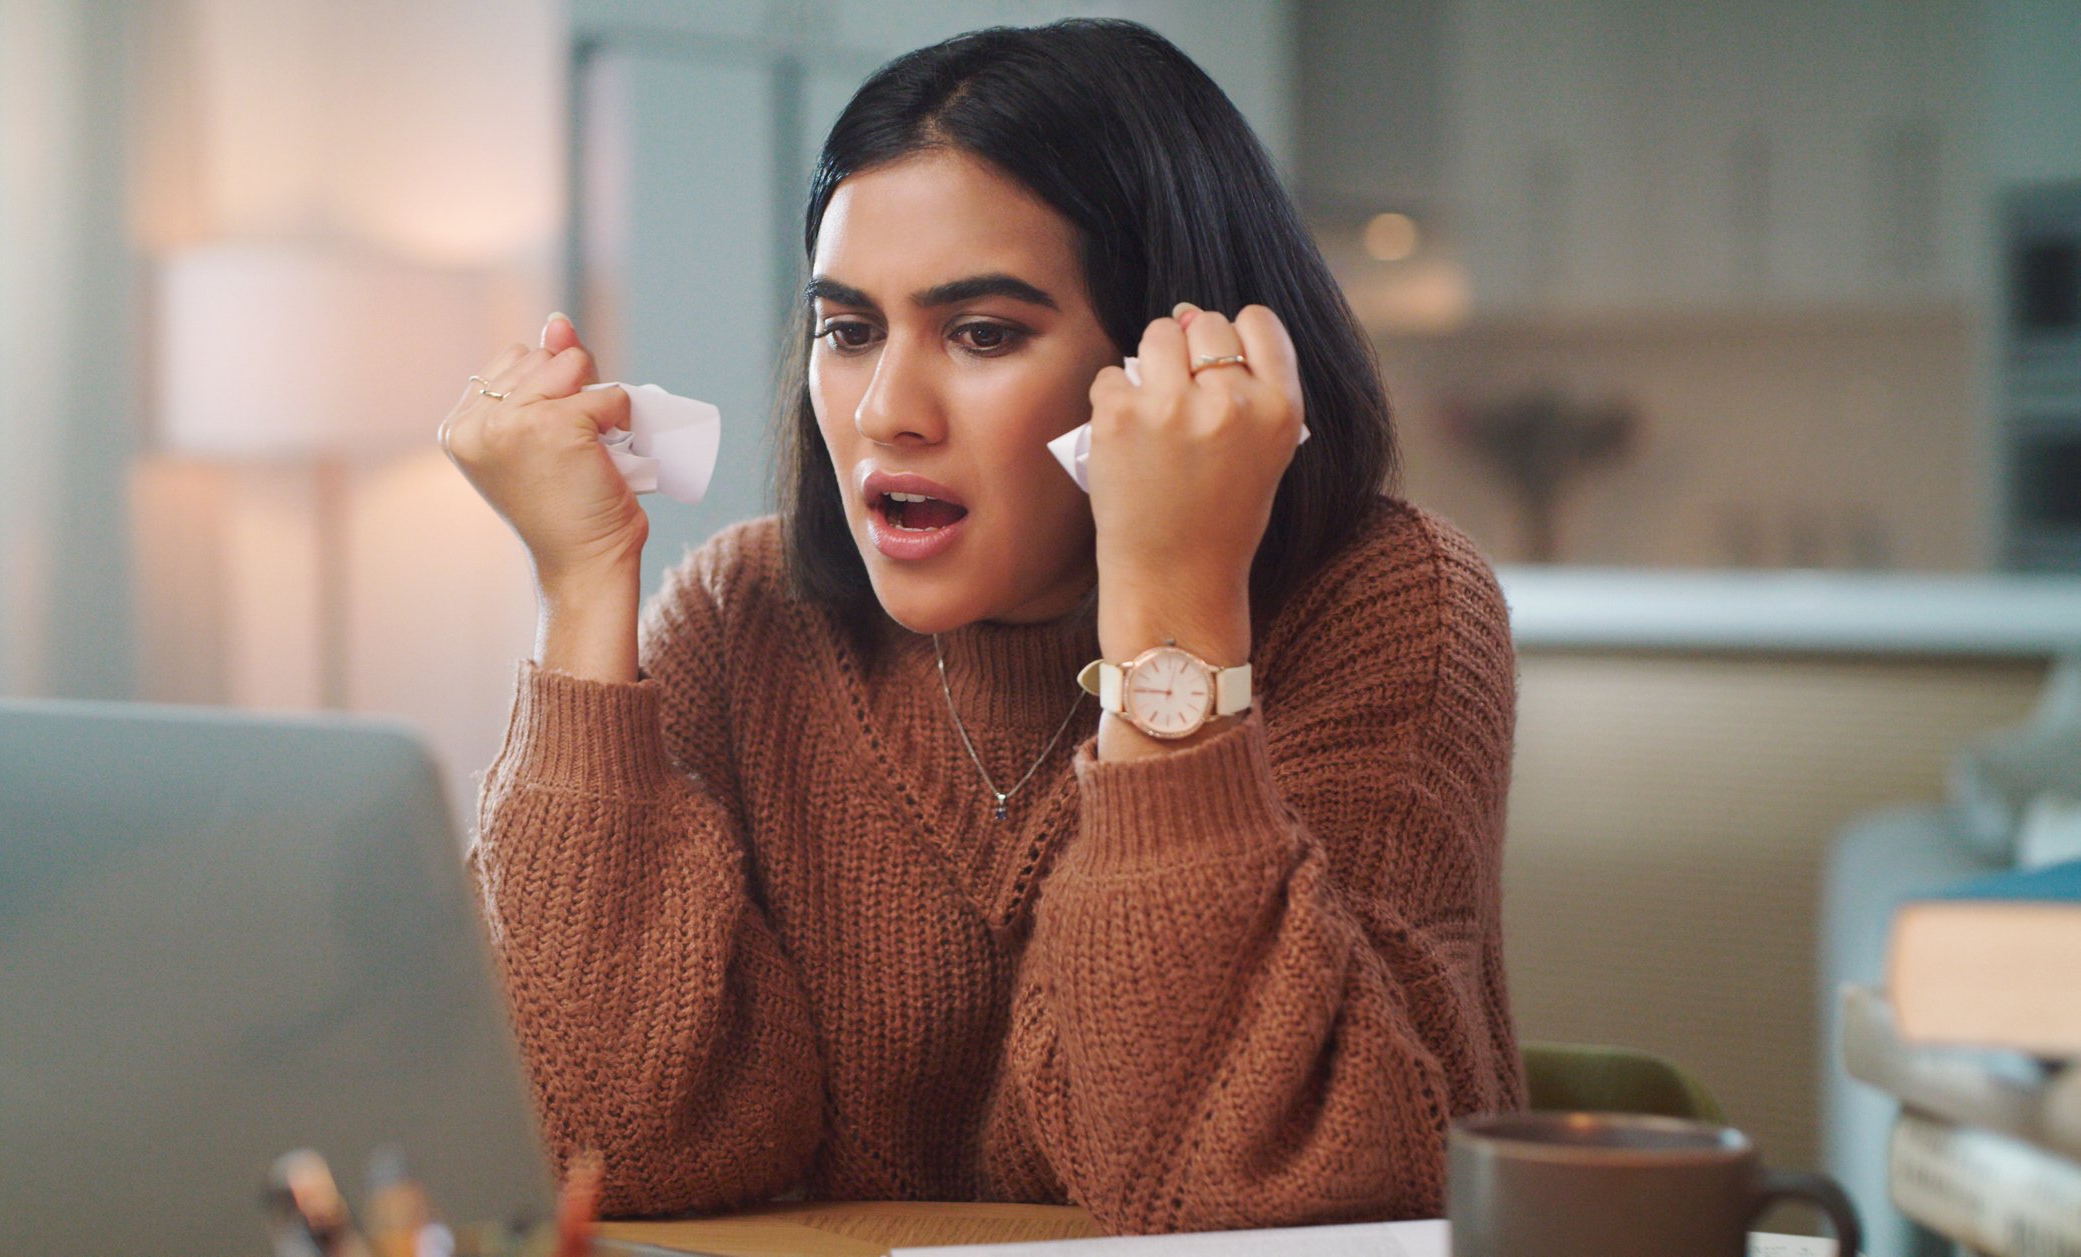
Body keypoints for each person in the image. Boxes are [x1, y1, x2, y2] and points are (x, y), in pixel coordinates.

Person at [438, 17, 1523, 1235]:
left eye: (982, 332)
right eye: (848, 330)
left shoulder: (1382, 603)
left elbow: (1249, 1192)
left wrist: (1172, 597)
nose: (887, 412)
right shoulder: (740, 619)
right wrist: (583, 592)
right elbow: (611, 1152)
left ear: (1171, 359)